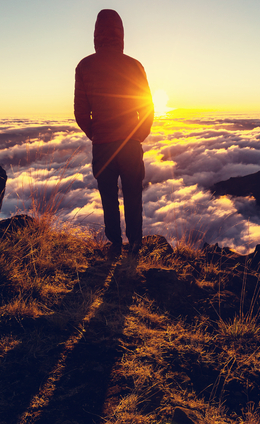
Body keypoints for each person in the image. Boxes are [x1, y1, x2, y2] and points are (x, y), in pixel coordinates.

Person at [74, 9, 154, 258]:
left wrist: (96, 134)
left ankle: (115, 244)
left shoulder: (85, 66)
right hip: (130, 145)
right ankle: (136, 244)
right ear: (121, 34)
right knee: (133, 194)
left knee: (108, 196)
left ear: (96, 34)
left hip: (103, 146)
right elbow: (148, 107)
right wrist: (137, 135)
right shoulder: (134, 65)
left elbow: (80, 112)